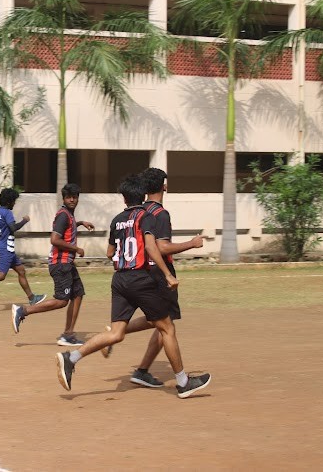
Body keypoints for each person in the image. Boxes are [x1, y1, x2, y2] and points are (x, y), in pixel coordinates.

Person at [55, 175, 211, 399]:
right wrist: (167, 274)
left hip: (119, 280)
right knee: (167, 328)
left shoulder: (117, 219)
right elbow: (150, 246)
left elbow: (110, 253)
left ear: (124, 198)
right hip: (141, 279)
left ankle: (71, 358)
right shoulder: (145, 216)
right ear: (143, 195)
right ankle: (183, 382)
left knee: (117, 333)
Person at [119, 167, 205, 388]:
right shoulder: (160, 213)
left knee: (161, 323)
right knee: (165, 325)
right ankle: (181, 381)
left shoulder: (139, 210)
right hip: (159, 273)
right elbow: (162, 247)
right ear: (164, 186)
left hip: (140, 272)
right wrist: (192, 244)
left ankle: (142, 370)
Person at [11, 183, 95, 347]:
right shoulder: (64, 215)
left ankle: (68, 335)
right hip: (60, 264)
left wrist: (81, 222)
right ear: (64, 198)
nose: (72, 199)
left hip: (67, 264)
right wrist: (76, 248)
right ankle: (23, 311)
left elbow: (68, 227)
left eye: (75, 196)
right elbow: (55, 240)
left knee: (78, 294)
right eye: (69, 196)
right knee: (61, 301)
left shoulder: (69, 215)